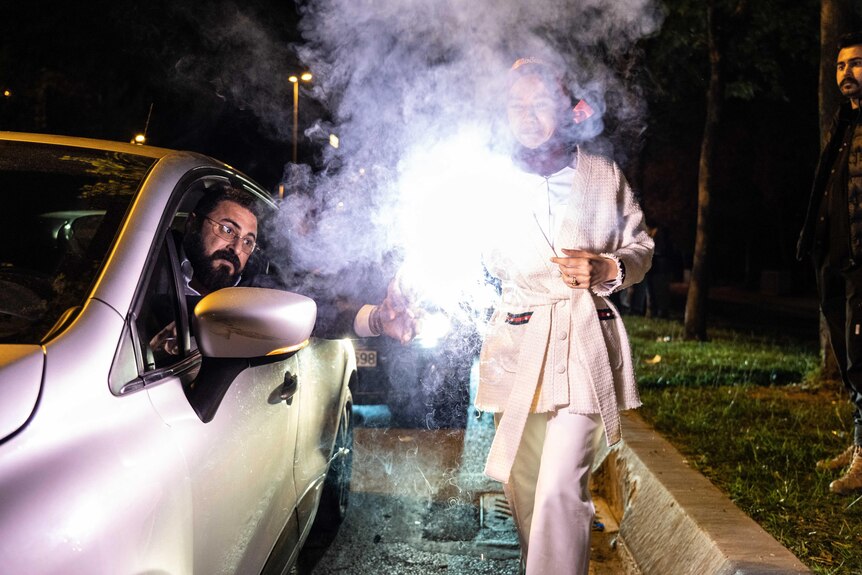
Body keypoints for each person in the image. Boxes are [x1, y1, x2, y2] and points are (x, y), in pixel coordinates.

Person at [475, 56, 654, 574]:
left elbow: (642, 246)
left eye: (540, 104)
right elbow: (451, 246)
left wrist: (610, 267)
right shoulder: (490, 181)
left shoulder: (601, 176)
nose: (527, 115)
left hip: (583, 341)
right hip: (518, 345)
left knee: (558, 489)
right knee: (527, 489)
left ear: (569, 110)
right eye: (516, 105)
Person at [150, 183, 414, 355]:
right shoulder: (146, 265)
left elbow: (321, 313)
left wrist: (379, 318)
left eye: (248, 241)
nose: (235, 247)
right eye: (227, 229)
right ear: (193, 225)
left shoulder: (253, 289)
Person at [797, 31, 862, 495]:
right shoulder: (844, 124)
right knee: (849, 361)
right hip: (834, 261)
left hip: (860, 263)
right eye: (840, 66)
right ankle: (860, 444)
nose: (847, 74)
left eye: (856, 64)